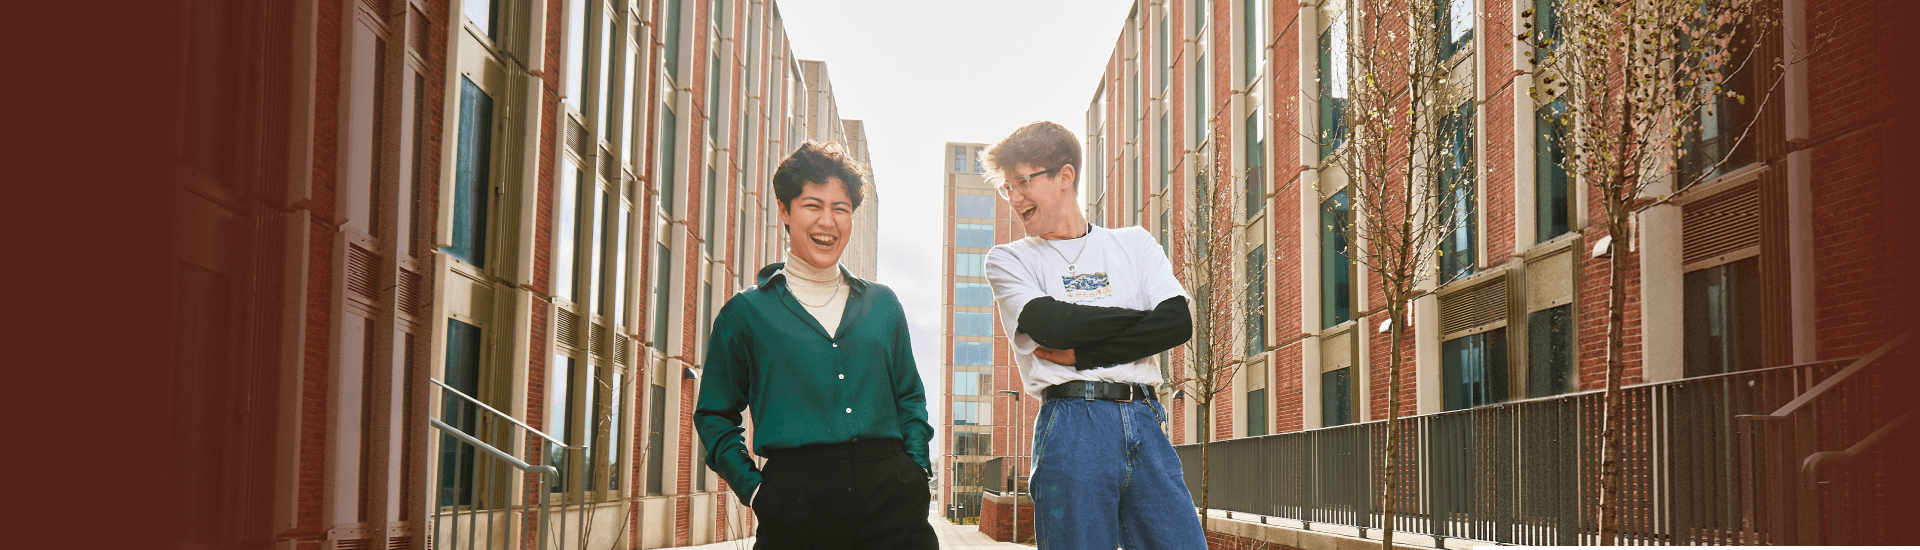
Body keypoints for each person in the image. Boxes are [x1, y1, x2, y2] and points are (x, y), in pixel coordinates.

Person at [694, 141, 937, 549]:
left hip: (893, 499)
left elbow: (909, 396)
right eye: (813, 205)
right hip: (796, 504)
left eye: (841, 208)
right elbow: (715, 415)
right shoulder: (745, 313)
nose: (828, 221)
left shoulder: (883, 304)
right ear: (785, 211)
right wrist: (756, 491)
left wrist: (915, 470)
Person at [983, 121, 1207, 549]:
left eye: (1022, 182)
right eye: (1007, 188)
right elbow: (1051, 325)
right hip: (1072, 425)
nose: (1014, 198)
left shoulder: (1134, 244)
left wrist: (1085, 354)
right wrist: (1142, 318)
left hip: (1145, 418)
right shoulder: (1009, 260)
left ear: (1064, 177)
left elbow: (1177, 322)